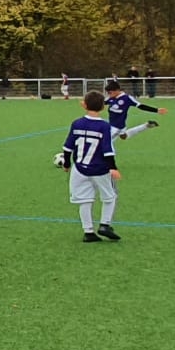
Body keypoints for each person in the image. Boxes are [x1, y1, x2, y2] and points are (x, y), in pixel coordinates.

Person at [58, 89, 123, 242]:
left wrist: (66, 163)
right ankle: (105, 225)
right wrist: (113, 167)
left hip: (79, 169)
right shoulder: (104, 126)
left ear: (84, 105)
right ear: (103, 107)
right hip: (100, 169)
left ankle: (88, 232)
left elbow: (68, 147)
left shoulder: (77, 123)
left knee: (84, 200)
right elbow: (107, 150)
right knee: (110, 196)